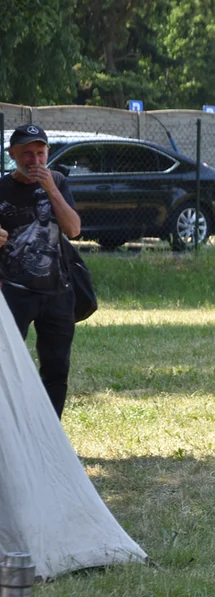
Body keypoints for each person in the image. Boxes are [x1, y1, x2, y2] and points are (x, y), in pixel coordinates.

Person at [0, 125, 81, 417]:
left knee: (56, 369)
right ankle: (12, 437)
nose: (34, 161)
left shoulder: (57, 181)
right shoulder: (2, 188)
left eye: (40, 153)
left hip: (57, 291)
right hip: (12, 293)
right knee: (7, 369)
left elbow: (73, 229)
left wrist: (51, 190)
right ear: (12, 154)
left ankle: (51, 437)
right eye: (27, 154)